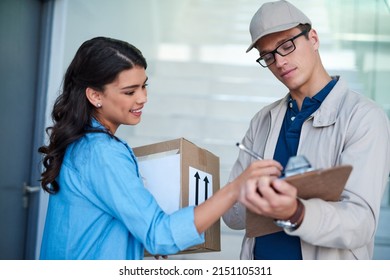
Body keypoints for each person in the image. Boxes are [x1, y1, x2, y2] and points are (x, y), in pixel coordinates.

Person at [37, 36, 281, 260]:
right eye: (130, 91)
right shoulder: (103, 152)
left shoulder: (85, 144)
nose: (142, 98)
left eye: (144, 86)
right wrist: (234, 189)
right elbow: (160, 236)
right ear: (95, 96)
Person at [223, 0, 390, 260]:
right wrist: (246, 191)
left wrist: (296, 211)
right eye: (268, 56)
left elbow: (360, 222)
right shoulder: (263, 121)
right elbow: (232, 218)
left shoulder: (364, 117)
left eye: (287, 46)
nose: (280, 61)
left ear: (313, 38)